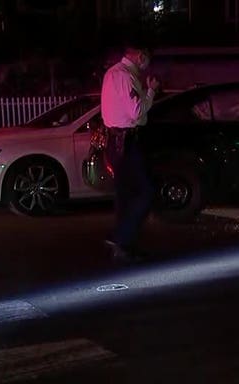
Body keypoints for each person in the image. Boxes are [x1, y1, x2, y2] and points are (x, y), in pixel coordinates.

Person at [101, 40, 160, 263]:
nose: (148, 63)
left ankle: (123, 245)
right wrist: (151, 91)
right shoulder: (126, 76)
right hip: (126, 141)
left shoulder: (112, 74)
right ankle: (121, 238)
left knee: (125, 195)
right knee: (145, 192)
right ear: (140, 55)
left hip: (116, 140)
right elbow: (136, 113)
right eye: (147, 57)